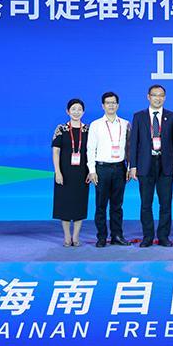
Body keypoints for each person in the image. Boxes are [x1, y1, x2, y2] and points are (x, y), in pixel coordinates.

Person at [129, 85, 173, 248]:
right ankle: (148, 237)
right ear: (148, 97)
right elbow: (134, 143)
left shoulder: (172, 117)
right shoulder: (139, 116)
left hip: (166, 165)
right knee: (146, 203)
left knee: (165, 203)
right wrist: (133, 165)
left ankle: (164, 237)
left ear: (164, 97)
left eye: (161, 95)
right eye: (154, 95)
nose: (158, 98)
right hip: (145, 164)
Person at [86, 92, 131, 248]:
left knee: (117, 205)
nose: (111, 105)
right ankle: (101, 237)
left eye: (113, 103)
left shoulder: (125, 124)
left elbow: (129, 148)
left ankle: (117, 235)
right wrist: (92, 170)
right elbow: (90, 148)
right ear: (103, 106)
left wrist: (129, 167)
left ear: (117, 105)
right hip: (102, 169)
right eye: (108, 103)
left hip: (119, 168)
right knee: (101, 205)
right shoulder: (95, 124)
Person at [52, 98, 90, 247]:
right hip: (64, 173)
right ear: (68, 111)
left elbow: (92, 152)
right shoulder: (61, 129)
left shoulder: (88, 130)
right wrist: (57, 172)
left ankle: (76, 236)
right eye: (73, 109)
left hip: (82, 173)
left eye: (79, 109)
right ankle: (67, 236)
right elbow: (56, 152)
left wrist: (91, 171)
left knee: (80, 204)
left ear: (83, 112)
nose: (76, 112)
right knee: (65, 204)